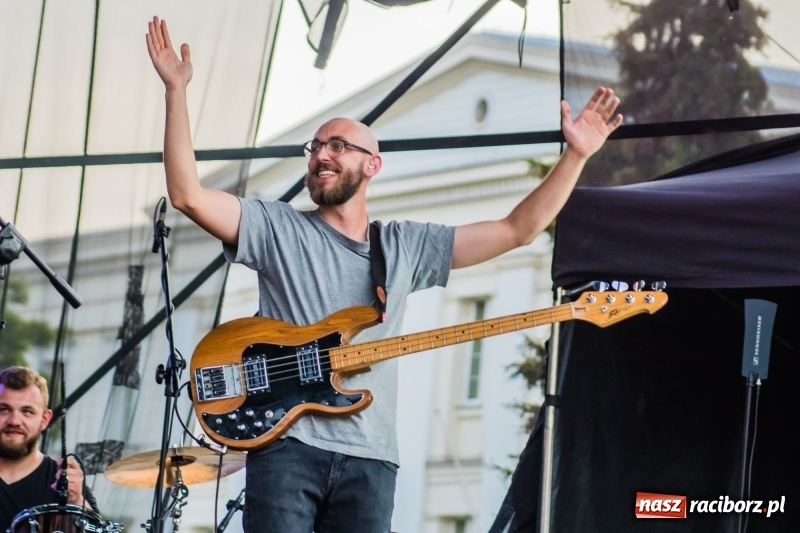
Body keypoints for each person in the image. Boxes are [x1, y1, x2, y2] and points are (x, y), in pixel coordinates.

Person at [146, 15, 622, 533]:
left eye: (337, 145)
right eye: (315, 147)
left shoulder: (404, 245)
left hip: (372, 461)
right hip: (287, 448)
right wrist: (176, 91)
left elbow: (517, 229)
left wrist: (575, 156)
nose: (321, 155)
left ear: (372, 165)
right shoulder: (277, 226)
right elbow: (187, 196)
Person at [0, 366, 98, 530]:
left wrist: (76, 500)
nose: (14, 421)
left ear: (45, 419)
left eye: (27, 411)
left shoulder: (65, 482)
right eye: (3, 409)